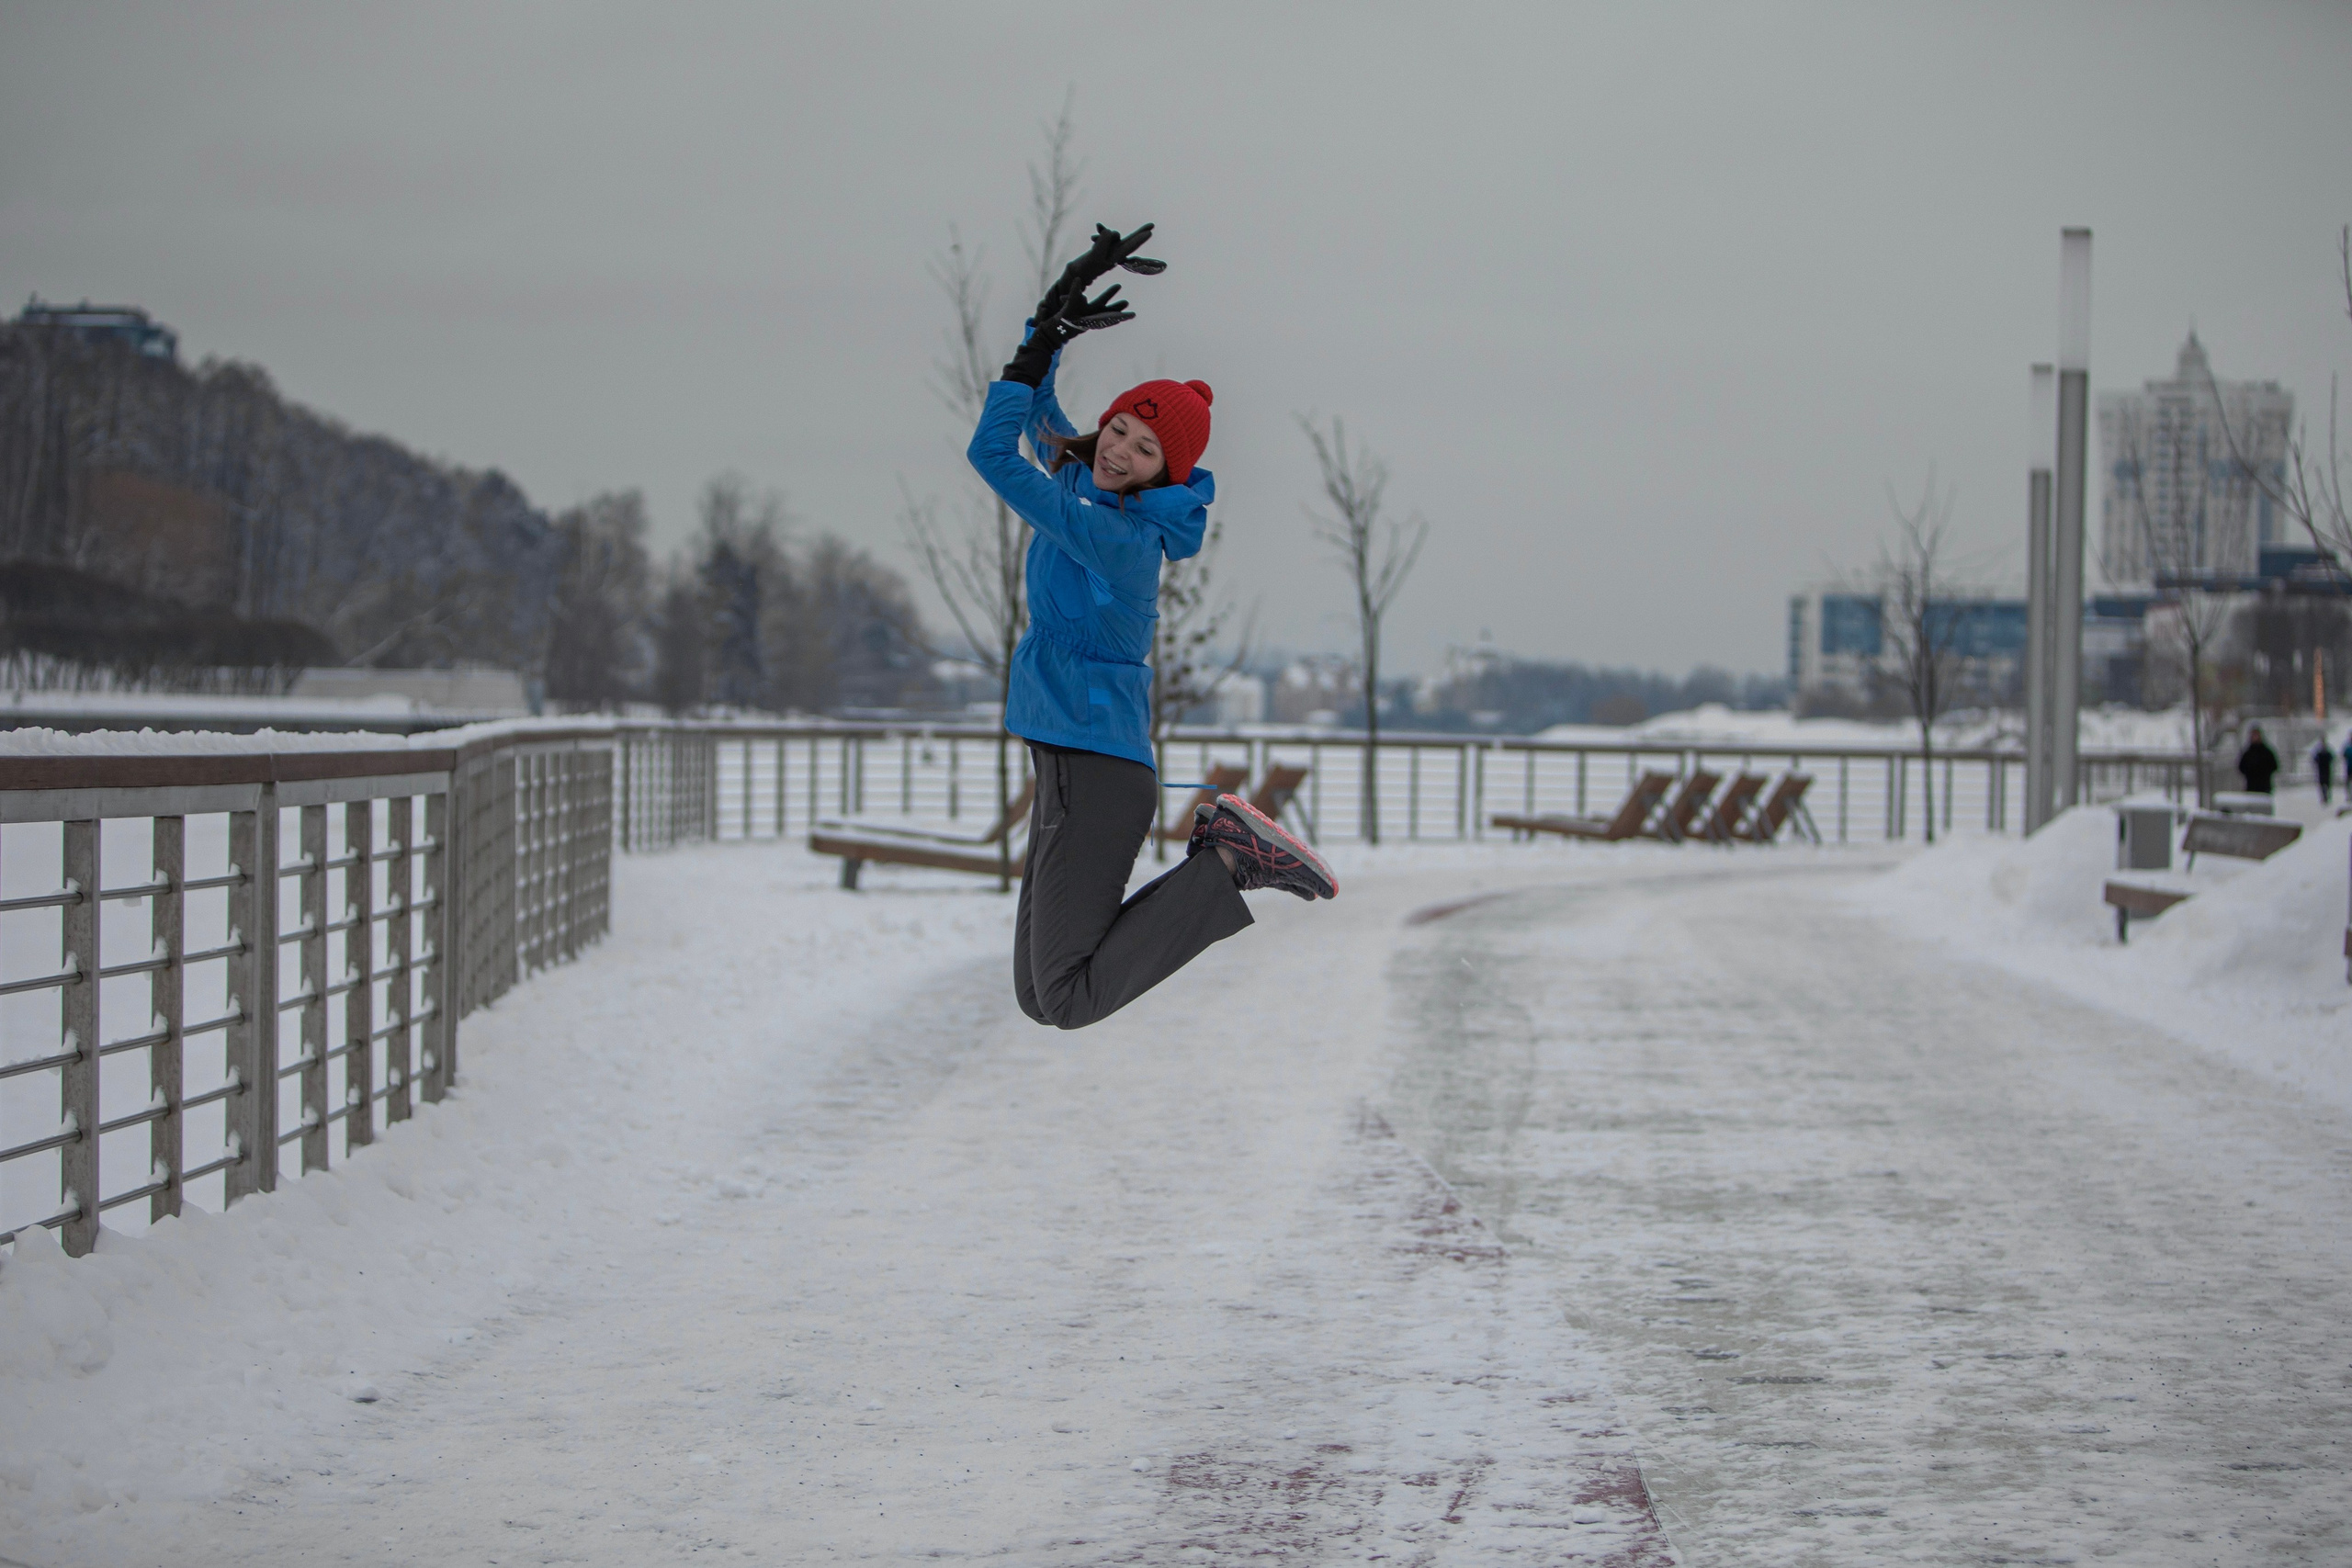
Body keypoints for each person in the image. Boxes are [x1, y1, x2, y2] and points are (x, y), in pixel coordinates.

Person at [967, 221, 1335, 1032]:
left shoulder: (1119, 539)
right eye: (1120, 430)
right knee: (1038, 996)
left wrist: (1040, 348)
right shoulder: (1088, 491)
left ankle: (1229, 860)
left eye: (1143, 449)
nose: (1119, 450)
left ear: (1165, 474)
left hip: (1097, 773)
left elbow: (991, 454)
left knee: (1068, 996)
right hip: (1070, 761)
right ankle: (1223, 860)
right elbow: (1037, 413)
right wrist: (1051, 320)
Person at [2237, 725, 2279, 795]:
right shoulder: (2247, 753)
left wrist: (2264, 772)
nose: (2255, 737)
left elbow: (2274, 766)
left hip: (2265, 788)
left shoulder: (2267, 752)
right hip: (2251, 788)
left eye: (2256, 735)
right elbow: (2241, 767)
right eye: (2253, 735)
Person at [2316, 733, 2337, 806]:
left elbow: (2315, 758)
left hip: (2323, 769)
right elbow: (2332, 757)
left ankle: (2325, 797)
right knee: (2325, 783)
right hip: (2325, 768)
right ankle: (2326, 796)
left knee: (2325, 784)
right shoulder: (2325, 750)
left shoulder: (2320, 750)